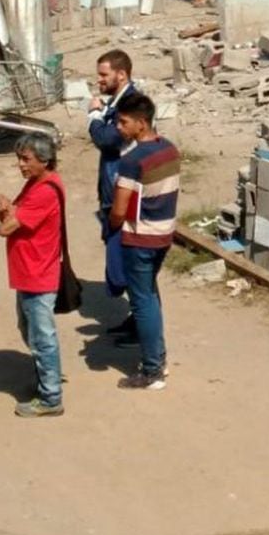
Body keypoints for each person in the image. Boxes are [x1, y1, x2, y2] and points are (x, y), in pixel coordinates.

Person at [108, 94, 180, 391]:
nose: (120, 128)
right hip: (164, 232)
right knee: (149, 294)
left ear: (141, 122)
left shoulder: (131, 161)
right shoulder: (170, 149)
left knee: (142, 301)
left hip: (140, 237)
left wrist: (112, 226)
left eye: (124, 122)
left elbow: (119, 210)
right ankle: (157, 356)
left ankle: (152, 369)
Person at [0, 135, 66, 418]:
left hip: (37, 274)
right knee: (30, 331)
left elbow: (6, 227)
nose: (20, 164)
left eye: (26, 159)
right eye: (20, 158)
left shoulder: (44, 191)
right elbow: (12, 218)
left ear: (43, 160)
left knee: (41, 336)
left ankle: (50, 397)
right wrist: (6, 210)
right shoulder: (36, 185)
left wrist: (3, 210)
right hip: (29, 272)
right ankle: (46, 381)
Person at [88, 50, 140, 339]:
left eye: (104, 74)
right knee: (126, 265)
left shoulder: (130, 106)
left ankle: (141, 329)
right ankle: (136, 319)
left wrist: (94, 116)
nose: (99, 80)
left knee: (128, 265)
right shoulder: (120, 103)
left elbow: (107, 140)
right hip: (115, 192)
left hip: (125, 197)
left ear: (121, 75)